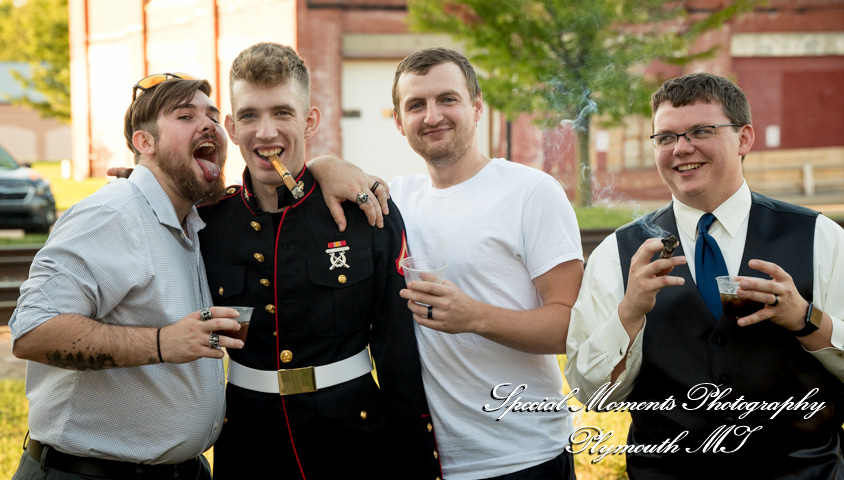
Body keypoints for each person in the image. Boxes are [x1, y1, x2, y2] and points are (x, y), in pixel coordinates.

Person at [316, 47, 585, 478]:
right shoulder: (394, 201)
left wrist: (474, 316)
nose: (432, 115)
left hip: (524, 455)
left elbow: (573, 327)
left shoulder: (531, 192)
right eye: (416, 105)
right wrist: (322, 163)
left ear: (476, 107)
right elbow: (326, 186)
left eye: (448, 99)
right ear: (399, 122)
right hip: (427, 458)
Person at [565, 72, 844, 479]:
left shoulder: (820, 237)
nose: (681, 148)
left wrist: (806, 319)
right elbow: (592, 396)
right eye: (666, 137)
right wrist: (628, 315)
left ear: (744, 138)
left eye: (701, 131)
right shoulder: (617, 253)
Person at [197, 42, 439, 479]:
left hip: (353, 446)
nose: (265, 132)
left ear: (310, 121)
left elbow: (398, 353)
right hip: (248, 448)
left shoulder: (364, 214)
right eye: (249, 115)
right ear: (231, 127)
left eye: (283, 113)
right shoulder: (207, 224)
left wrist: (418, 464)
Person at [9, 74, 244, 480]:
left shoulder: (191, 220)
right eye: (185, 116)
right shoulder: (114, 214)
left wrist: (329, 169)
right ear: (144, 143)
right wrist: (163, 342)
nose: (208, 124)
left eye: (213, 115)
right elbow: (33, 330)